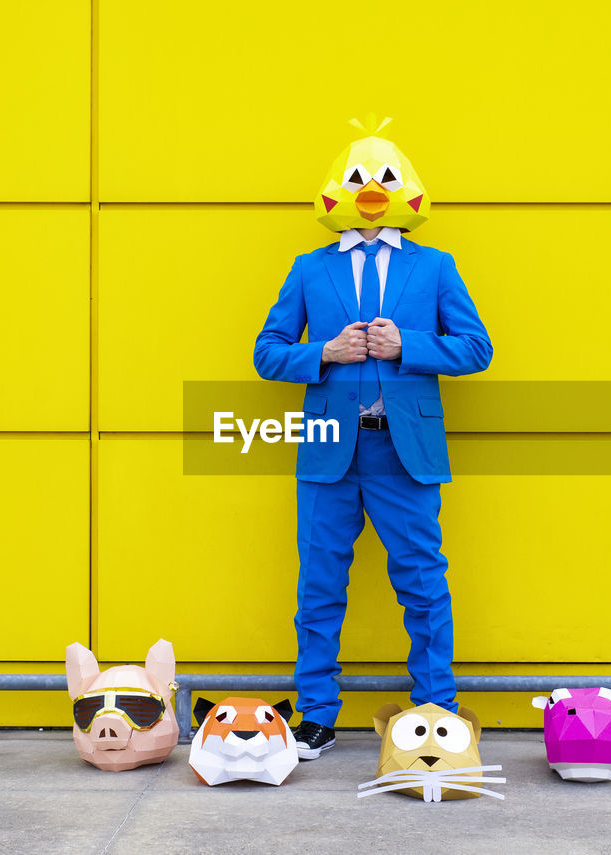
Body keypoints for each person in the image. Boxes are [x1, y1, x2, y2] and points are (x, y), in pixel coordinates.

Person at [253, 116, 492, 759]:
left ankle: (437, 711)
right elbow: (267, 353)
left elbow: (477, 349)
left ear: (404, 188)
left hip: (403, 450)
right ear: (338, 190)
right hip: (329, 447)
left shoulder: (435, 267)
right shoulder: (308, 270)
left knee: (422, 580)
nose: (371, 190)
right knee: (320, 584)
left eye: (384, 178)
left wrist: (407, 346)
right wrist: (322, 353)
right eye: (358, 179)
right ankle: (316, 715)